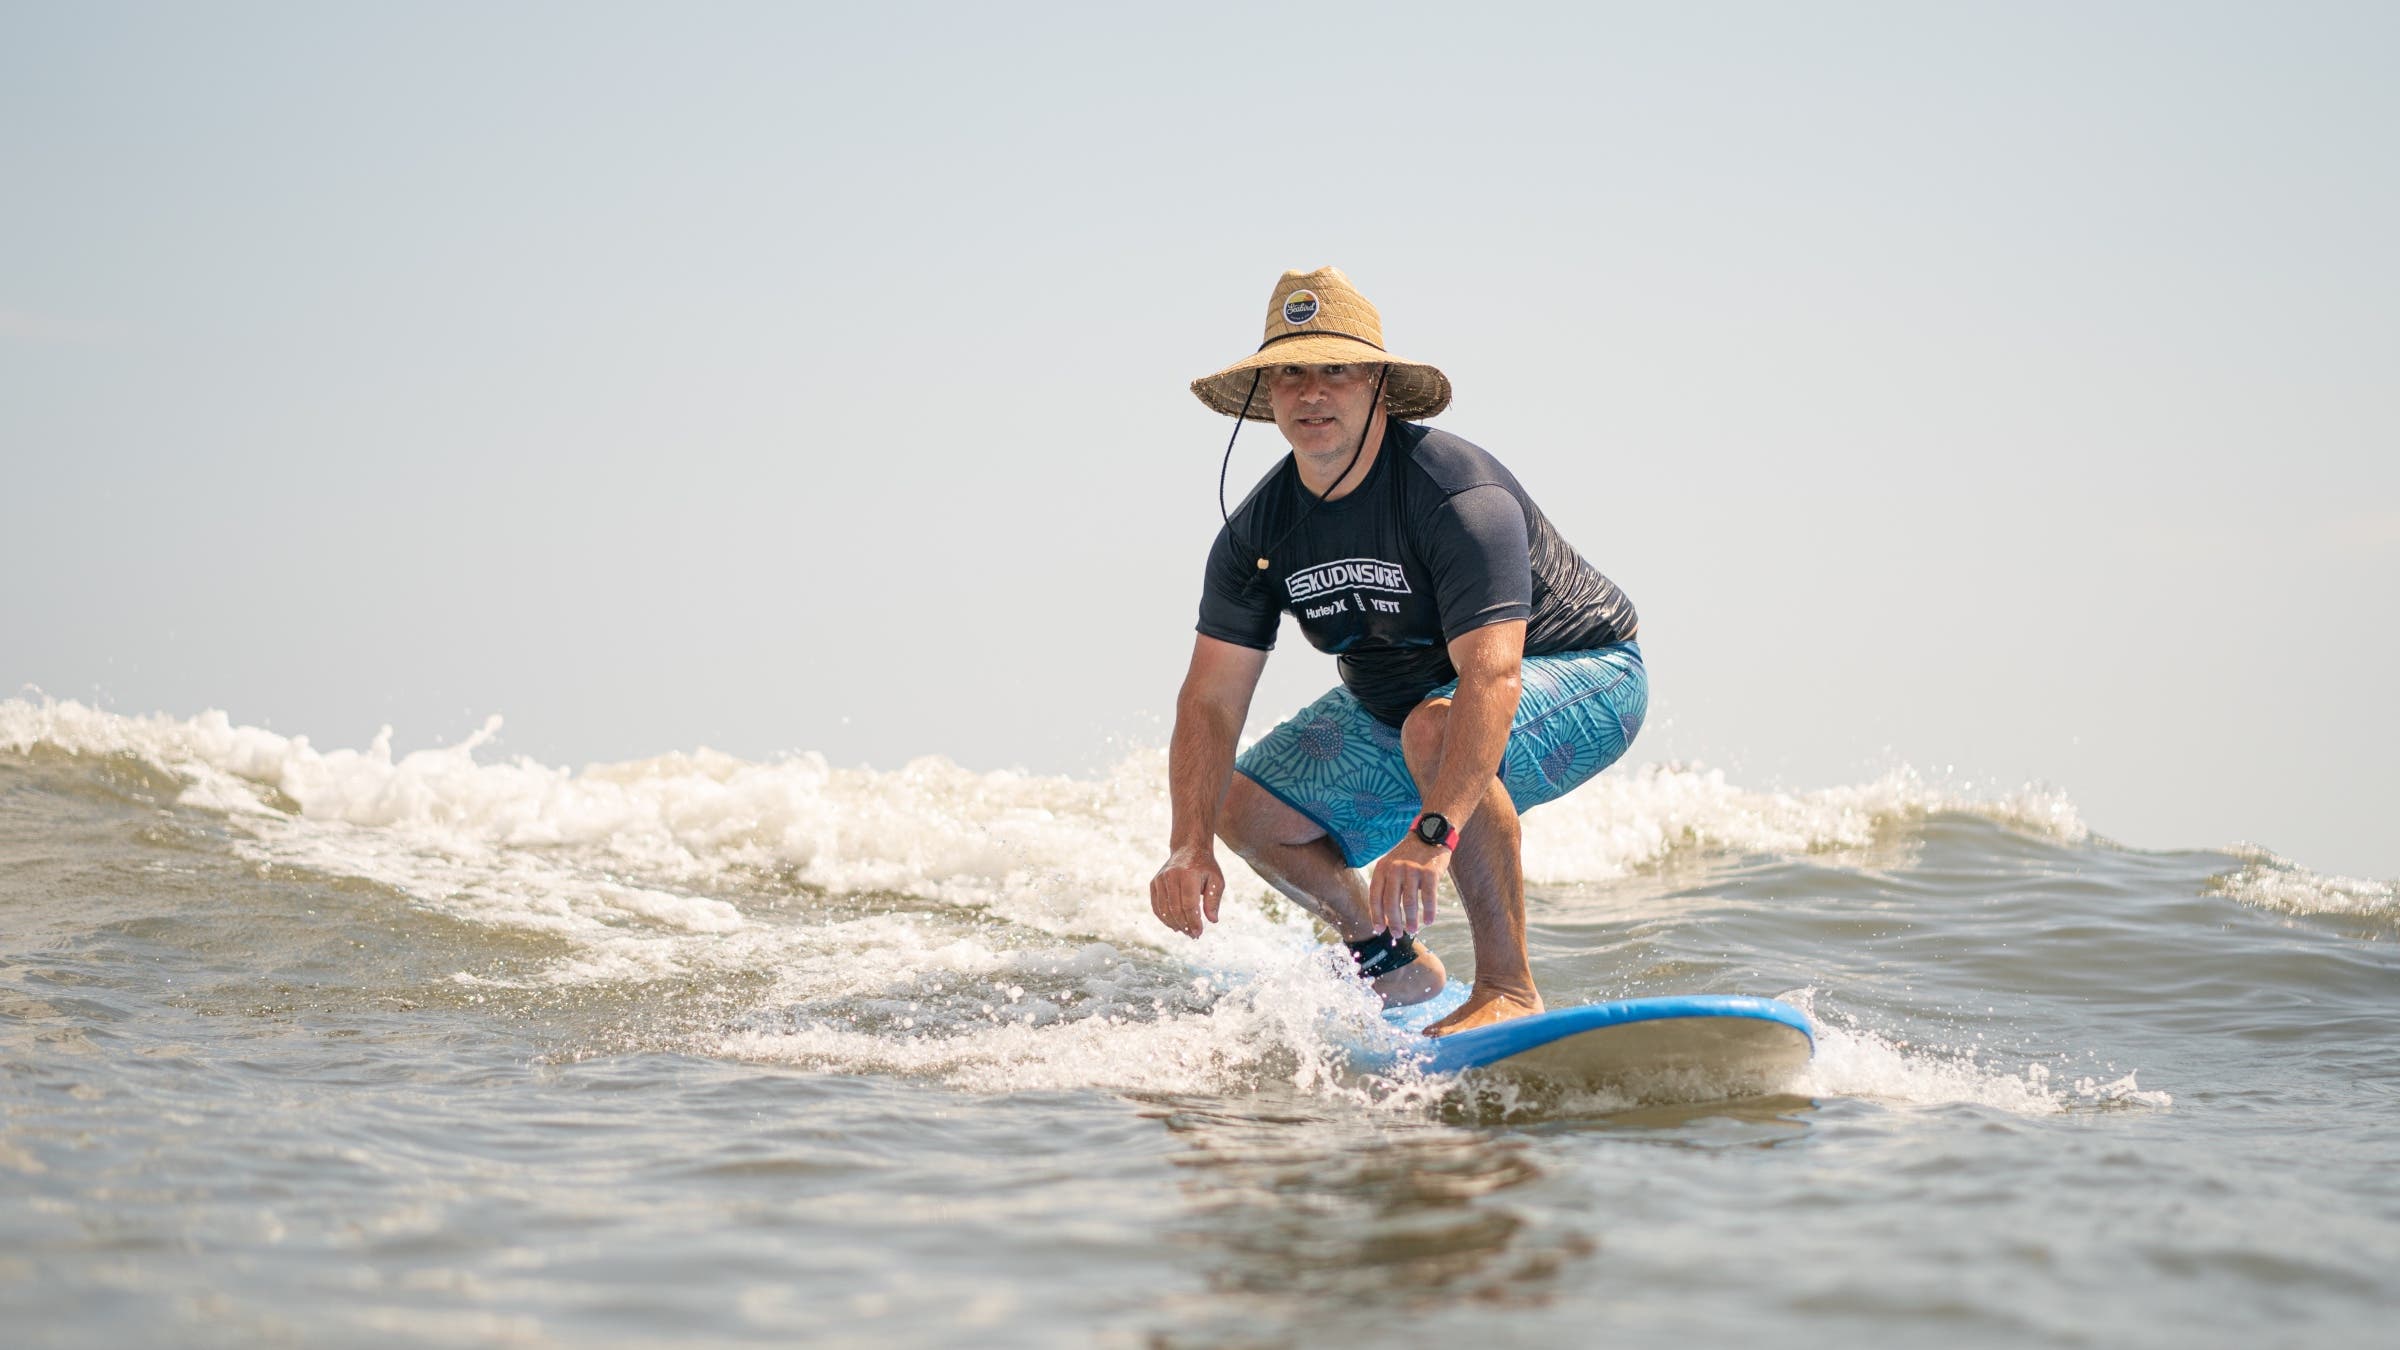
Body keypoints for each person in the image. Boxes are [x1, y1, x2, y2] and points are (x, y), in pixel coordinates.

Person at [1147, 265, 1647, 1037]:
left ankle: (1509, 987)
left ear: (1378, 384)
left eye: (1335, 369)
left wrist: (1433, 832)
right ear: (1266, 394)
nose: (1312, 392)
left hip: (1587, 679)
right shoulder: (1256, 533)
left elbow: (1493, 672)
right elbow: (1210, 699)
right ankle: (1390, 961)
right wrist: (1188, 846)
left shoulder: (1453, 493)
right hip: (1405, 703)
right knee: (1237, 805)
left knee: (1434, 728)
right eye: (1289, 373)